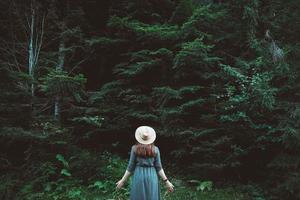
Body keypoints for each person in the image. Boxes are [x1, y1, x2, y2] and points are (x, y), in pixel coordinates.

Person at [116, 126, 174, 200]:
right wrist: (167, 181)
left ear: (139, 138)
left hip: (139, 176)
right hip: (152, 177)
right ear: (151, 138)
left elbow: (130, 167)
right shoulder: (155, 149)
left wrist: (122, 181)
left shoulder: (134, 148)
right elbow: (159, 168)